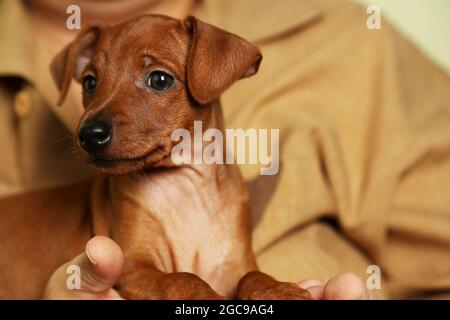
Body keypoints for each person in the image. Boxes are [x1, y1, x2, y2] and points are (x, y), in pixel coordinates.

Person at [1, 0, 449, 299]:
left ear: (214, 78)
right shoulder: (127, 184)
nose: (94, 120)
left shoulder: (341, 31)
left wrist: (264, 291)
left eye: (157, 80)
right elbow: (140, 272)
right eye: (92, 83)